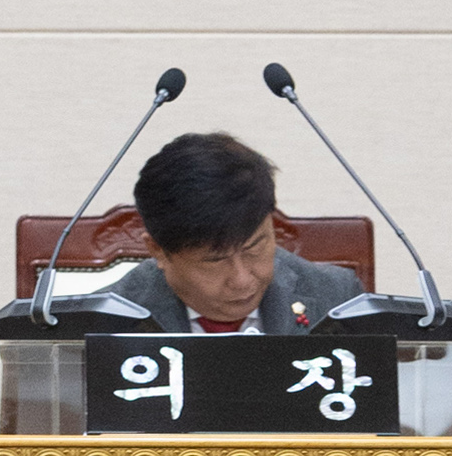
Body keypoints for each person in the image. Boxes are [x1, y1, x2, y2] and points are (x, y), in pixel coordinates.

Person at [110, 130, 361, 334]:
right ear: (159, 251)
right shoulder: (107, 322)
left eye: (254, 248)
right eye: (215, 260)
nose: (242, 281)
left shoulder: (337, 298)